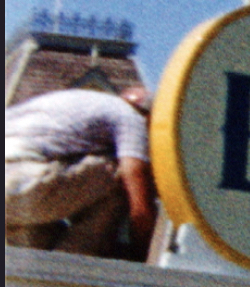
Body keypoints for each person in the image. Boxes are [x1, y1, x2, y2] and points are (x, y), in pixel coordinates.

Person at [3, 86, 157, 258]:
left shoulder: (83, 102)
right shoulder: (130, 116)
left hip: (15, 192)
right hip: (21, 180)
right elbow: (140, 204)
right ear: (149, 116)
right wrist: (144, 254)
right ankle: (74, 264)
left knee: (43, 244)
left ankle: (44, 276)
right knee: (121, 177)